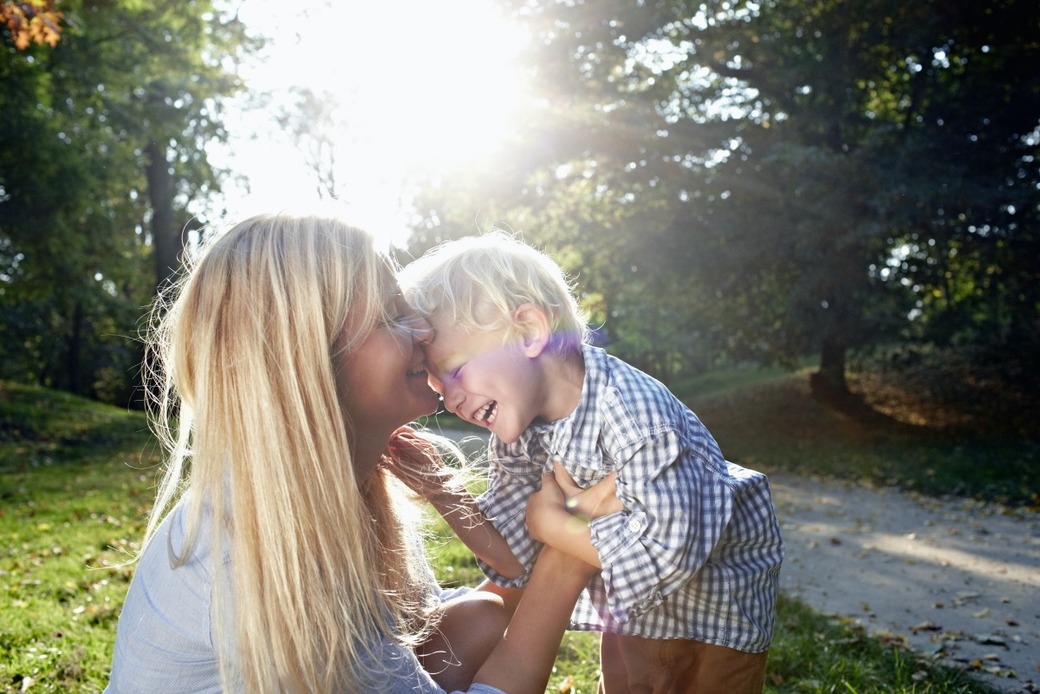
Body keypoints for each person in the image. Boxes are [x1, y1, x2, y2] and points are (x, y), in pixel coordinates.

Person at [105, 212, 606, 694]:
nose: (425, 329)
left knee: (481, 620)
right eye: (391, 316)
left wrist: (460, 504)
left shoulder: (344, 491)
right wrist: (565, 562)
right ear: (311, 366)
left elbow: (408, 634)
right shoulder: (257, 554)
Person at [399, 231, 785, 694]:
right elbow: (512, 558)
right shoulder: (521, 433)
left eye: (457, 371)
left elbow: (667, 557)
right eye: (441, 390)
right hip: (631, 616)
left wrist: (555, 528)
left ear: (529, 332)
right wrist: (440, 486)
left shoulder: (635, 416)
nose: (453, 400)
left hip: (711, 616)